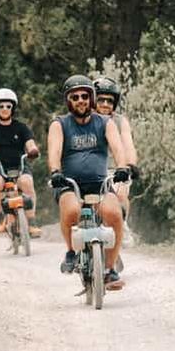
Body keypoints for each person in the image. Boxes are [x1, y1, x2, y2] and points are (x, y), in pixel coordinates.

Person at [47, 75, 131, 291]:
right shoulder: (59, 124)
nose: (81, 100)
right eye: (75, 97)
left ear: (91, 98)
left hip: (100, 183)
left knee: (114, 214)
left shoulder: (105, 122)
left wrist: (122, 167)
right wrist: (55, 171)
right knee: (72, 210)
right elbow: (54, 150)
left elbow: (117, 147)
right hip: (69, 184)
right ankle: (70, 252)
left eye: (85, 96)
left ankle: (110, 269)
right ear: (68, 101)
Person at [0, 88, 42, 237]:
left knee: (27, 182)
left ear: (13, 108)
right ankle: (0, 215)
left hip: (19, 165)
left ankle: (31, 221)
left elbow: (31, 143)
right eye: (1, 106)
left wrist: (33, 150)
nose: (5, 109)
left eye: (8, 106)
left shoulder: (21, 127)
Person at [94, 76, 140, 250]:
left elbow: (128, 144)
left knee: (120, 193)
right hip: (92, 170)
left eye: (109, 100)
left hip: (115, 169)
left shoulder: (120, 121)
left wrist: (131, 165)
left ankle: (122, 225)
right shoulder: (86, 120)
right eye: (101, 100)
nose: (105, 104)